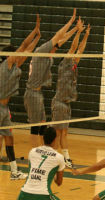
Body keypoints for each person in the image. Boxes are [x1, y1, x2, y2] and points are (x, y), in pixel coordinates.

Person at [24, 9, 77, 148]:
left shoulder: (49, 54)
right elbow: (58, 35)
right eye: (55, 46)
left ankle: (42, 151)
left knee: (42, 124)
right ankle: (35, 155)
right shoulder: (41, 50)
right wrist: (71, 22)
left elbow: (61, 40)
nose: (57, 48)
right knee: (36, 127)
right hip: (32, 92)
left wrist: (76, 30)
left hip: (37, 93)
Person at [0, 14, 41, 180]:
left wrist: (38, 37)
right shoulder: (6, 64)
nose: (18, 54)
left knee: (10, 139)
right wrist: (34, 30)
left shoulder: (15, 66)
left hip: (5, 109)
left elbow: (28, 50)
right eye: (15, 52)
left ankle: (14, 171)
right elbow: (24, 45)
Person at [51, 19, 90, 168]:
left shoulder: (72, 65)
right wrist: (78, 32)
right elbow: (74, 47)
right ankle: (53, 158)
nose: (74, 57)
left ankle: (66, 158)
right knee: (57, 133)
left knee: (64, 133)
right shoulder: (64, 65)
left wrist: (86, 35)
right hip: (59, 103)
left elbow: (80, 50)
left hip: (66, 104)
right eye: (71, 56)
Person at [17, 127, 65, 200]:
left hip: (23, 194)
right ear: (55, 139)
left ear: (43, 138)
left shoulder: (32, 152)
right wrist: (53, 172)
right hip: (43, 195)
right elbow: (59, 182)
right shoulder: (59, 157)